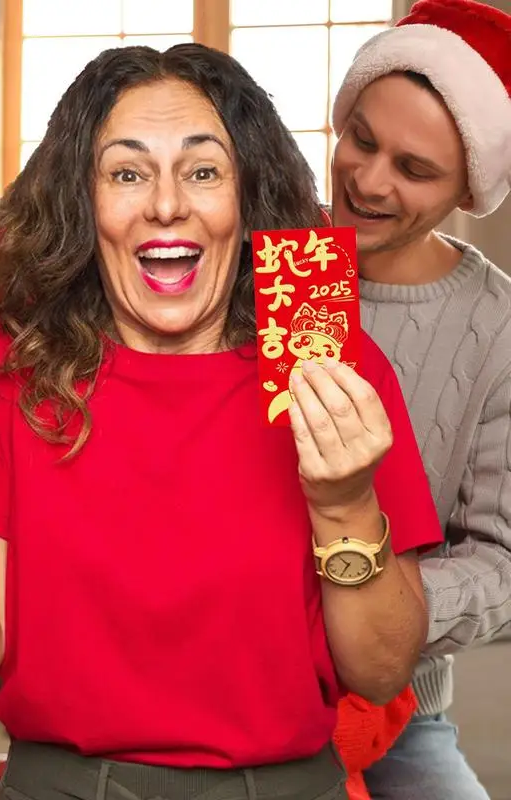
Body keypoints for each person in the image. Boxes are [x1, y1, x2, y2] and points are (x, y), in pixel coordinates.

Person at [0, 43, 443, 800]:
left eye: (203, 170)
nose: (165, 204)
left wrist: (344, 504)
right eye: (127, 172)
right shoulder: (14, 368)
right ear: (82, 204)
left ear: (247, 198)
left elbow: (380, 673)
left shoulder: (328, 361)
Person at [329, 1, 511, 798]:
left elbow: (504, 563)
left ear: (468, 184)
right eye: (360, 139)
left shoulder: (498, 329)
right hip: (233, 684)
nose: (367, 180)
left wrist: (372, 609)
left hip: (398, 712)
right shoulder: (258, 263)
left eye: (414, 168)